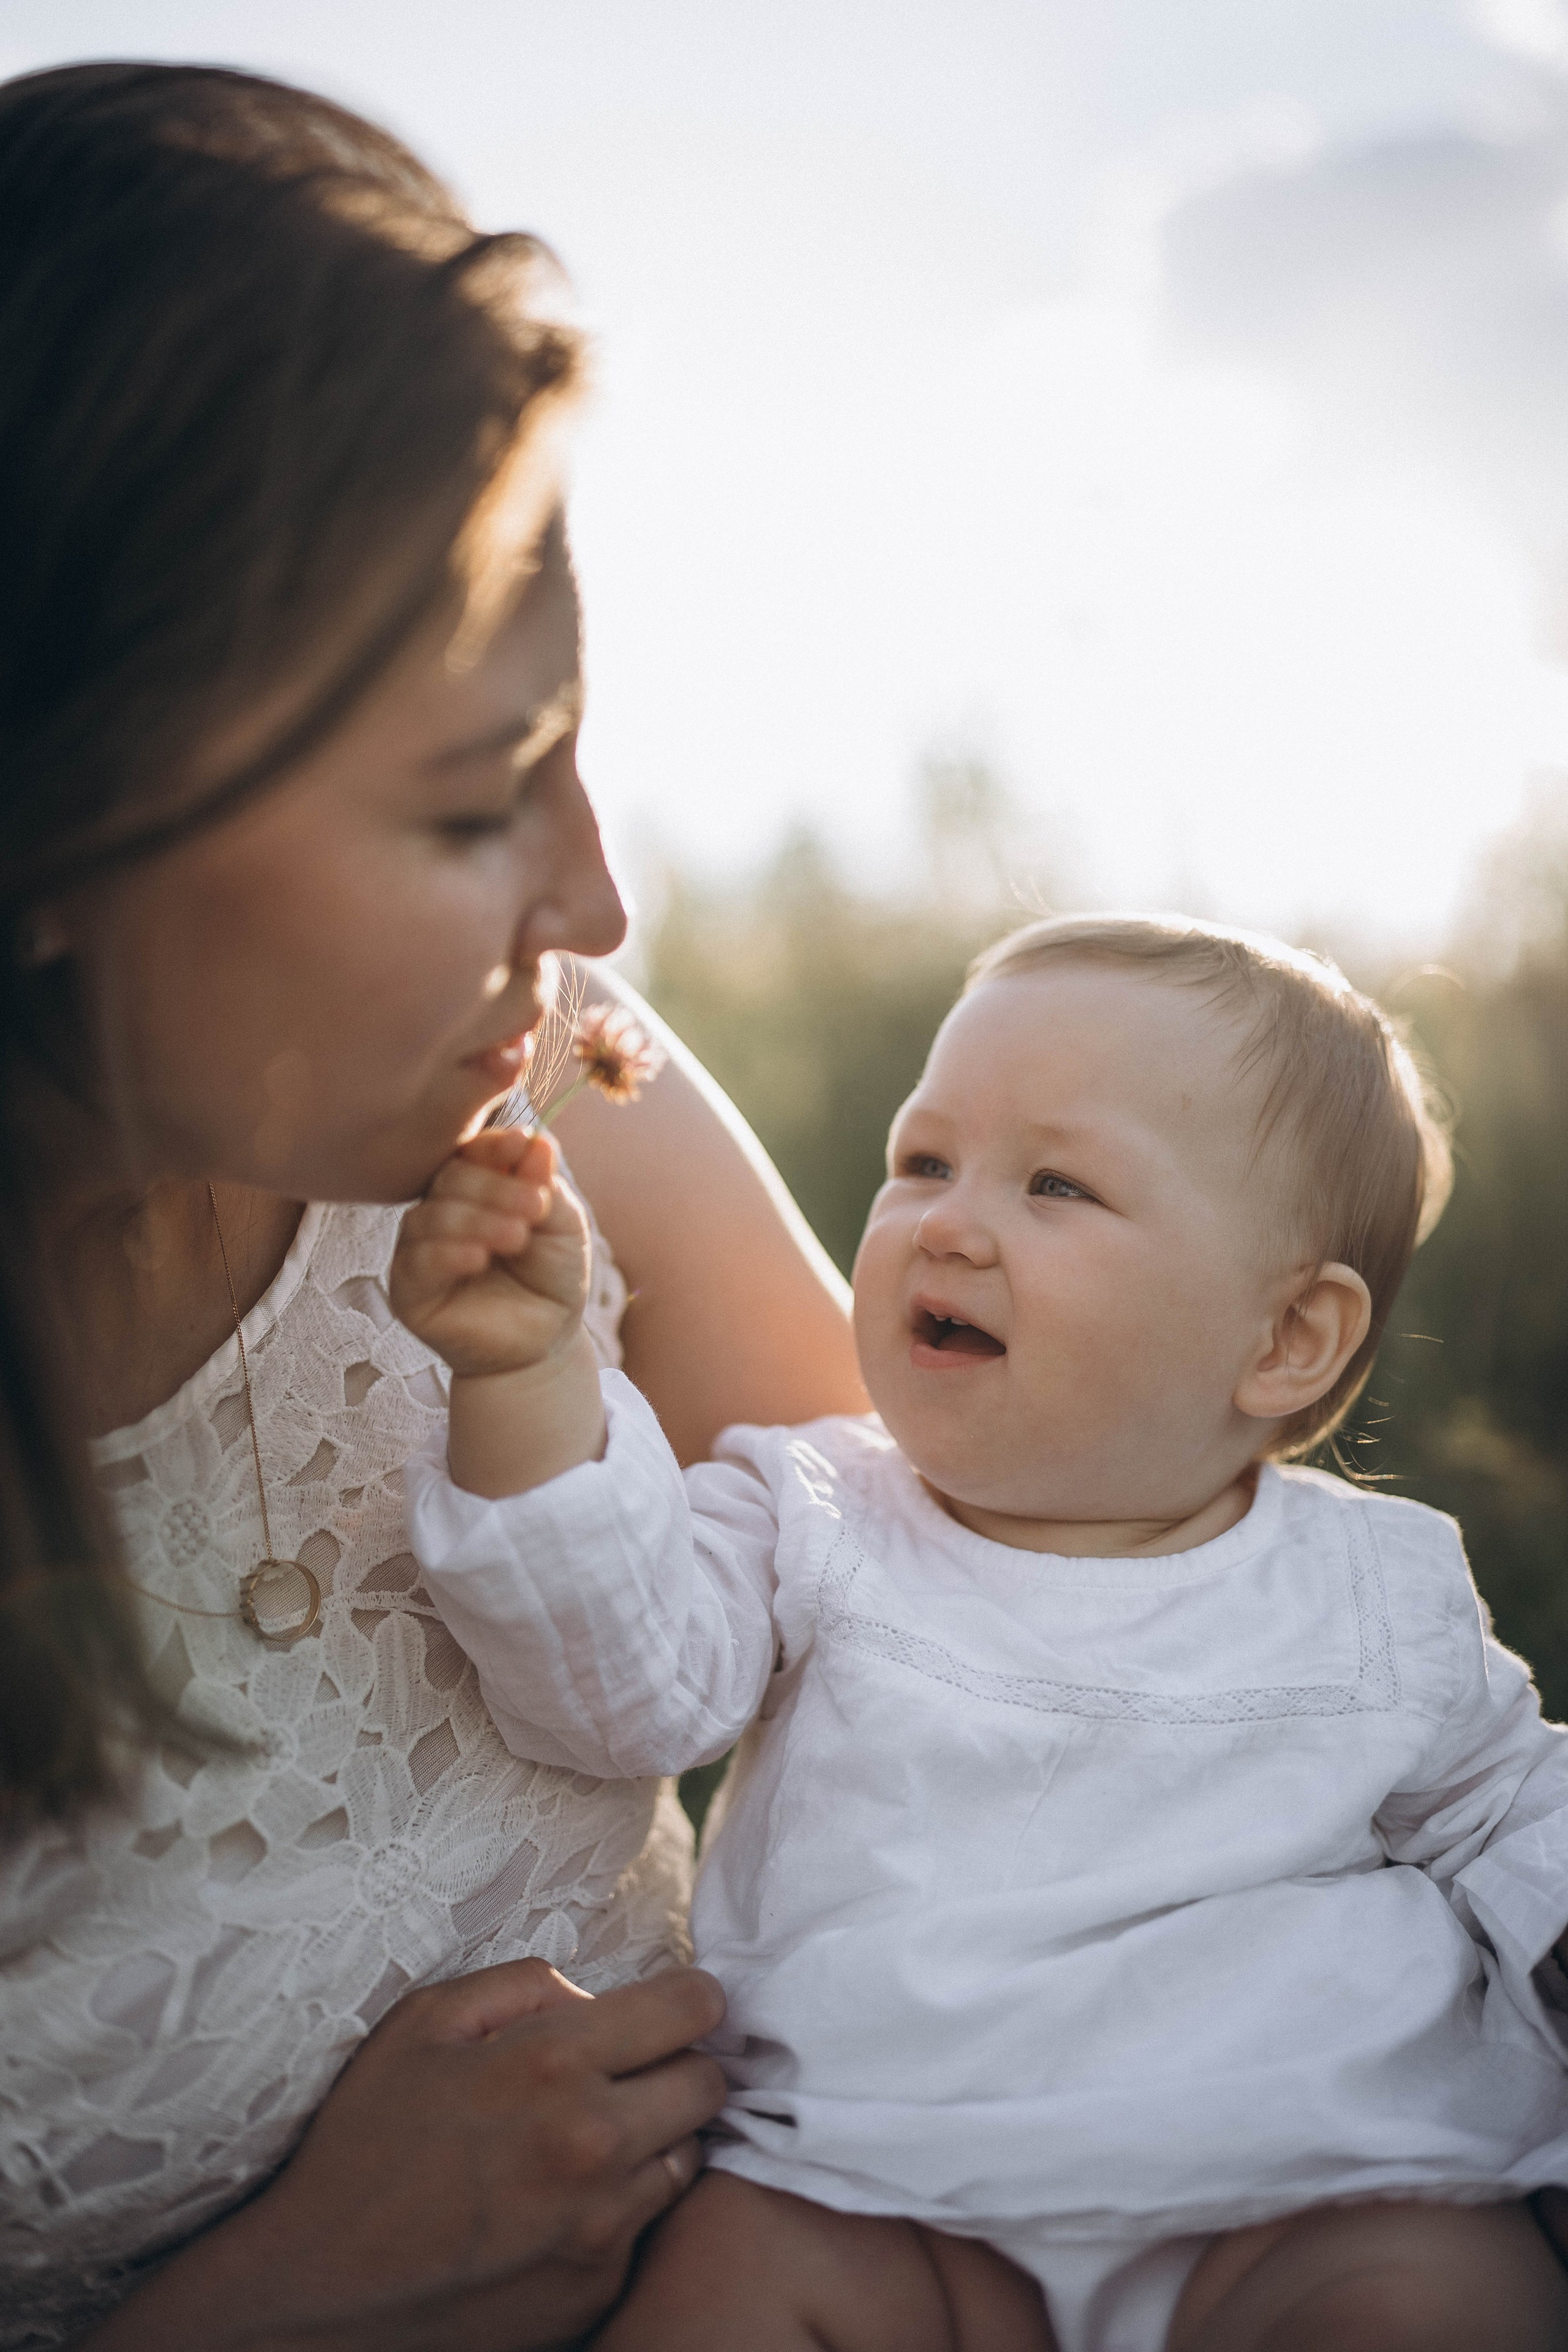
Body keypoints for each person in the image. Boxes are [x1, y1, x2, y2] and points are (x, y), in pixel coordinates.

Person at [0, 60, 867, 2351]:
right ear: (62, 825)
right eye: (480, 800)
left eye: (577, 753)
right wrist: (272, 2304)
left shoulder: (550, 1076)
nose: (595, 901)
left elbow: (955, 1590)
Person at [391, 914, 1568, 2352]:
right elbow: (617, 1688)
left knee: (1450, 2298)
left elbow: (1514, 1814)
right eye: (921, 1161)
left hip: (1305, 2187)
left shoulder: (1369, 1588)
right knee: (730, 2280)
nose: (946, 1221)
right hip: (875, 2195)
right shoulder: (810, 1504)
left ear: (1284, 1342)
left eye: (1055, 1183)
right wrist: (523, 1381)